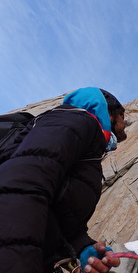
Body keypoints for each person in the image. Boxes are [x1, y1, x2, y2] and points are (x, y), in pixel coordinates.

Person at [0, 87, 127, 273]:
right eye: (123, 116)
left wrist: (82, 246)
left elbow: (54, 209)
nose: (126, 123)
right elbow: (22, 185)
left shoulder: (88, 147)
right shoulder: (78, 121)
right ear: (110, 114)